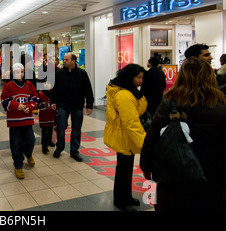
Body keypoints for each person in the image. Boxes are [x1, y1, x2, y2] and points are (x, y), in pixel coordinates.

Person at [140, 58, 226, 211]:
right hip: (211, 175)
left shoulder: (170, 103)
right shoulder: (221, 105)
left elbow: (152, 138)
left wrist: (146, 166)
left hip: (173, 174)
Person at [104, 63, 147, 211]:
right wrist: (144, 145)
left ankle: (126, 197)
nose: (141, 80)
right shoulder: (124, 95)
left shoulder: (128, 90)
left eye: (142, 77)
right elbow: (132, 123)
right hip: (124, 137)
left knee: (126, 170)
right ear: (130, 77)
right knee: (123, 170)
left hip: (125, 136)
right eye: (138, 77)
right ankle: (121, 201)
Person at [50, 53, 94, 161]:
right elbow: (54, 88)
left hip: (77, 106)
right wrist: (53, 101)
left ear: (73, 61)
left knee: (76, 129)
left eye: (66, 59)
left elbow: (88, 90)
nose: (64, 61)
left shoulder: (82, 74)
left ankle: (74, 151)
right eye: (64, 59)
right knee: (60, 127)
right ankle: (59, 147)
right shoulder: (59, 73)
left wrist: (89, 105)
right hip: (63, 105)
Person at [1, 63, 39, 179]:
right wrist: (16, 105)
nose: (20, 74)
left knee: (31, 140)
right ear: (13, 73)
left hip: (27, 120)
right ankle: (18, 165)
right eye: (18, 72)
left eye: (22, 72)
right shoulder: (8, 86)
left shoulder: (29, 84)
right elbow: (4, 102)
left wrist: (30, 107)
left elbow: (36, 98)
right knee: (16, 144)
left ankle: (28, 154)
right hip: (14, 121)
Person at [38, 81, 56, 154]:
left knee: (50, 129)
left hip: (51, 115)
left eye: (49, 83)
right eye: (45, 83)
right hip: (44, 115)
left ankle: (49, 141)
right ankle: (44, 146)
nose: (47, 85)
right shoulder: (41, 94)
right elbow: (38, 104)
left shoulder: (53, 94)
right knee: (44, 131)